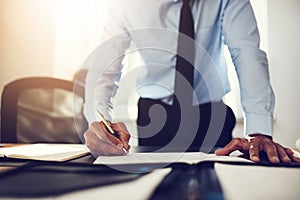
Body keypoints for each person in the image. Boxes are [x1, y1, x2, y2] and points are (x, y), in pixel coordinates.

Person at [83, 0, 300, 163]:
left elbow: (246, 52)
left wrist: (258, 131)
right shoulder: (127, 4)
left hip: (211, 114)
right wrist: (100, 122)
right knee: (155, 187)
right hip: (155, 116)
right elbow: (105, 67)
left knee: (219, 185)